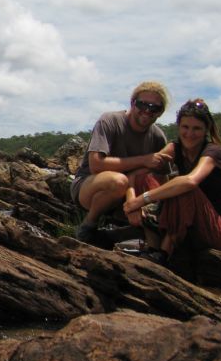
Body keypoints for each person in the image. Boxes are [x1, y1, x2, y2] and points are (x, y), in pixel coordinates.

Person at [123, 98, 221, 267]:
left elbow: (190, 181)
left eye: (196, 128)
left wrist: (142, 199)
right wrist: (131, 203)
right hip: (186, 225)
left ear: (206, 130)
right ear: (178, 127)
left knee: (183, 187)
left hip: (215, 230)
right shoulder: (175, 148)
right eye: (185, 127)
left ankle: (163, 253)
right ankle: (153, 245)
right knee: (147, 178)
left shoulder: (213, 151)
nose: (189, 134)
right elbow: (135, 175)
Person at [70, 81, 172, 246]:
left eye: (154, 108)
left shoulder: (158, 137)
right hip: (91, 186)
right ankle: (89, 225)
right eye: (142, 104)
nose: (147, 111)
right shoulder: (109, 121)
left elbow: (162, 178)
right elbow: (96, 164)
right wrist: (144, 159)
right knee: (119, 181)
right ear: (132, 103)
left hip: (129, 194)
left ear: (160, 112)